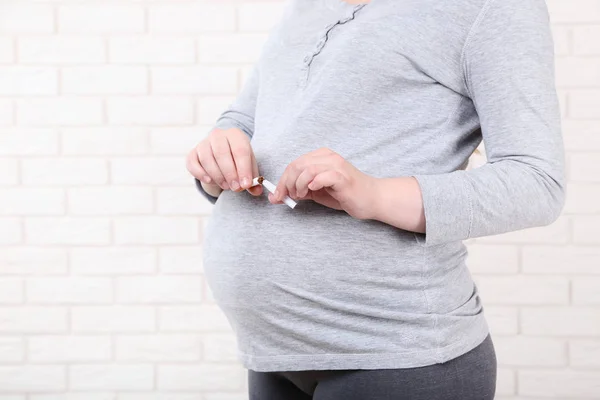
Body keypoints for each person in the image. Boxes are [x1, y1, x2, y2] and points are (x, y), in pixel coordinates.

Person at [185, 0, 565, 398]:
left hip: (399, 358)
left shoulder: (492, 8)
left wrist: (374, 193)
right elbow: (244, 123)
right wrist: (219, 157)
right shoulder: (307, 7)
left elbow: (537, 182)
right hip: (272, 357)